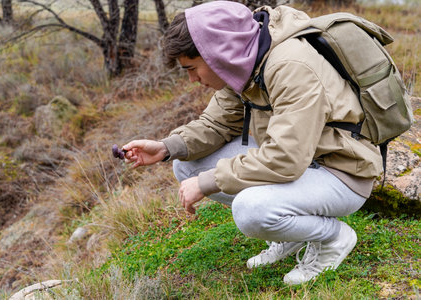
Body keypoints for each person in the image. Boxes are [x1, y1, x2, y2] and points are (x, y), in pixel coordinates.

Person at [122, 1, 382, 285]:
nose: (192, 79)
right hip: (303, 163)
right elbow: (216, 124)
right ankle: (291, 232)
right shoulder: (244, 63)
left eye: (192, 67)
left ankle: (333, 237)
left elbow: (284, 159)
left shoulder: (290, 66)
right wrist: (165, 148)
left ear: (215, 53)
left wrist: (210, 181)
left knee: (251, 209)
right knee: (188, 165)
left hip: (341, 172)